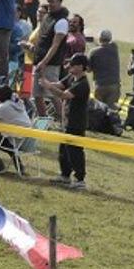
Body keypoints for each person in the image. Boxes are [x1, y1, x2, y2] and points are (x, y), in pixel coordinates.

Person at [45, 53, 91, 190]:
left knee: (75, 151)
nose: (70, 66)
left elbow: (65, 95)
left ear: (81, 67)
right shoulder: (72, 77)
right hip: (66, 121)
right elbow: (59, 85)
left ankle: (80, 180)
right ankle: (65, 175)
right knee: (63, 151)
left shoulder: (83, 84)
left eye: (73, 64)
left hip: (77, 123)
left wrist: (48, 87)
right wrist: (44, 81)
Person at [28, 0, 70, 118]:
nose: (49, 4)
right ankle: (42, 120)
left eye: (52, 1)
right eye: (48, 1)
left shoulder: (61, 22)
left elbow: (55, 45)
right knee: (37, 95)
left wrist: (44, 62)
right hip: (39, 61)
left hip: (50, 64)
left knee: (52, 94)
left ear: (59, 2)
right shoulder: (47, 18)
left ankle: (64, 121)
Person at [89, 30, 121, 107]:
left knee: (99, 110)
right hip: (114, 84)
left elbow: (89, 69)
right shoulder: (114, 48)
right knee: (112, 110)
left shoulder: (93, 52)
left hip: (100, 84)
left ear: (100, 38)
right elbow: (105, 47)